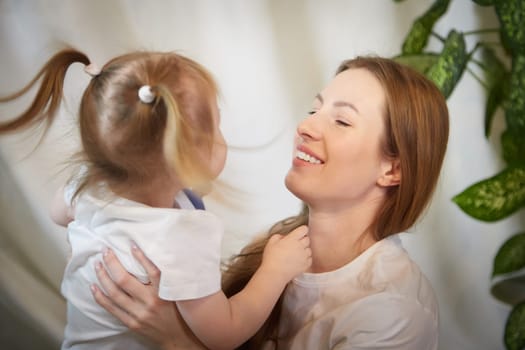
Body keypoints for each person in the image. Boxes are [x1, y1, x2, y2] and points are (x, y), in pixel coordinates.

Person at [91, 55, 449, 350]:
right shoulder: (278, 246)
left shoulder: (393, 313)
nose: (306, 127)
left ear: (392, 169)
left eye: (341, 121)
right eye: (314, 110)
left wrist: (174, 340)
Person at [0, 48, 312, 350]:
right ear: (185, 160)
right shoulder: (181, 238)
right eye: (216, 127)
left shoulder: (89, 182)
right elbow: (225, 333)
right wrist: (275, 271)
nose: (222, 138)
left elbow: (59, 212)